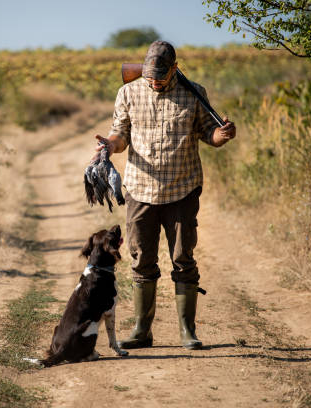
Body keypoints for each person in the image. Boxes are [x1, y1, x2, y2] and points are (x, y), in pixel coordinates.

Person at [94, 41, 236, 350]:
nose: (154, 82)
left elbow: (208, 133)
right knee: (141, 260)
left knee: (183, 259)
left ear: (174, 68)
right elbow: (120, 137)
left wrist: (221, 136)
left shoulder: (194, 92)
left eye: (160, 76)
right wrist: (109, 145)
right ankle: (142, 331)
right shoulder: (128, 92)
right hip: (140, 191)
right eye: (149, 76)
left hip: (182, 189)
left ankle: (187, 331)